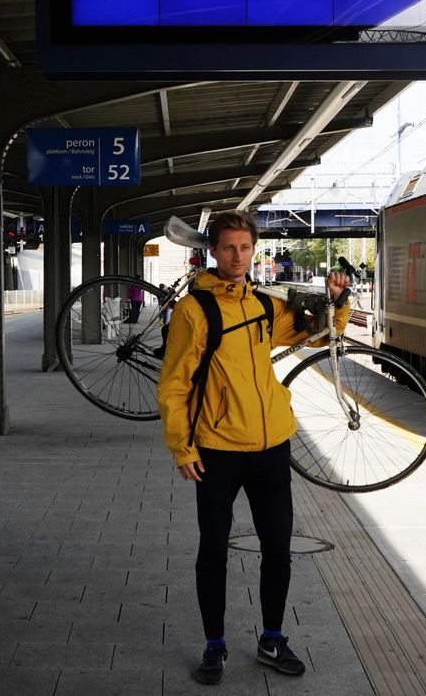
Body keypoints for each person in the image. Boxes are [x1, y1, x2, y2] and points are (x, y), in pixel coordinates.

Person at [157, 210, 350, 686]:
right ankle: (215, 645)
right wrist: (182, 447)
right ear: (213, 251)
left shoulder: (263, 306)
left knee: (279, 550)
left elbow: (315, 331)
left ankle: (271, 638)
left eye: (245, 248)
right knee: (213, 552)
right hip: (217, 450)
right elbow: (174, 384)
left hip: (270, 448)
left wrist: (337, 301)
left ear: (253, 250)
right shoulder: (194, 310)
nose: (237, 257)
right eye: (228, 248)